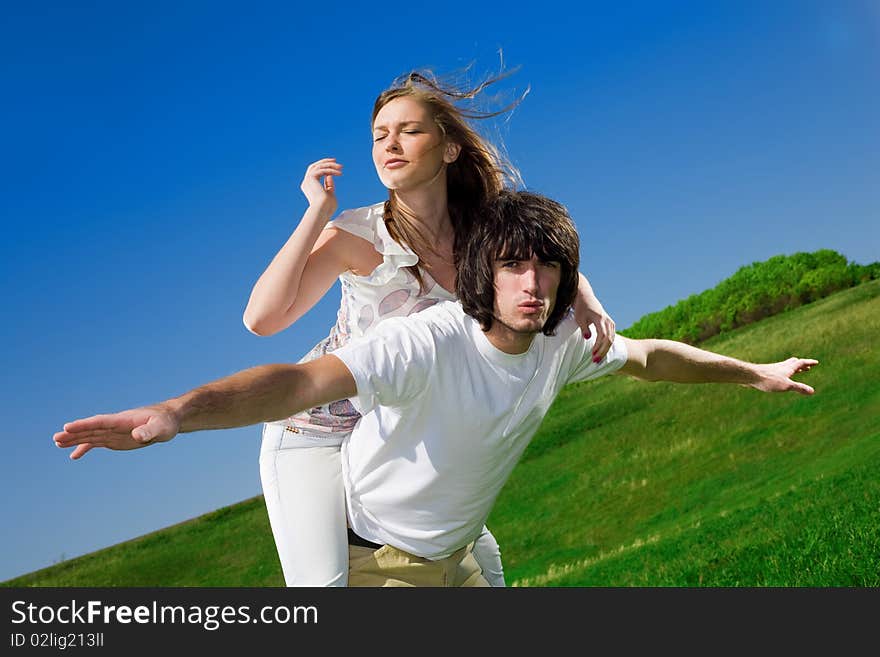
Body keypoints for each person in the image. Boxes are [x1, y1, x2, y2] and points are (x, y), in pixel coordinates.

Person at [54, 190, 818, 587]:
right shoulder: (426, 339)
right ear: (484, 272)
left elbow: (652, 357)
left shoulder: (558, 343)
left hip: (459, 552)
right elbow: (294, 381)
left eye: (548, 268)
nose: (532, 282)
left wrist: (758, 373)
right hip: (379, 566)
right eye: (516, 264)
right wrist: (176, 412)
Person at [239, 69, 616, 586]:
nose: (389, 144)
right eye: (379, 135)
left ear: (448, 148)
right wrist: (317, 212)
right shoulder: (356, 236)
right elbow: (262, 318)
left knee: (481, 559)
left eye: (409, 131)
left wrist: (586, 300)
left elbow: (543, 253)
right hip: (316, 430)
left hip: (399, 426)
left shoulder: (481, 231)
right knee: (324, 587)